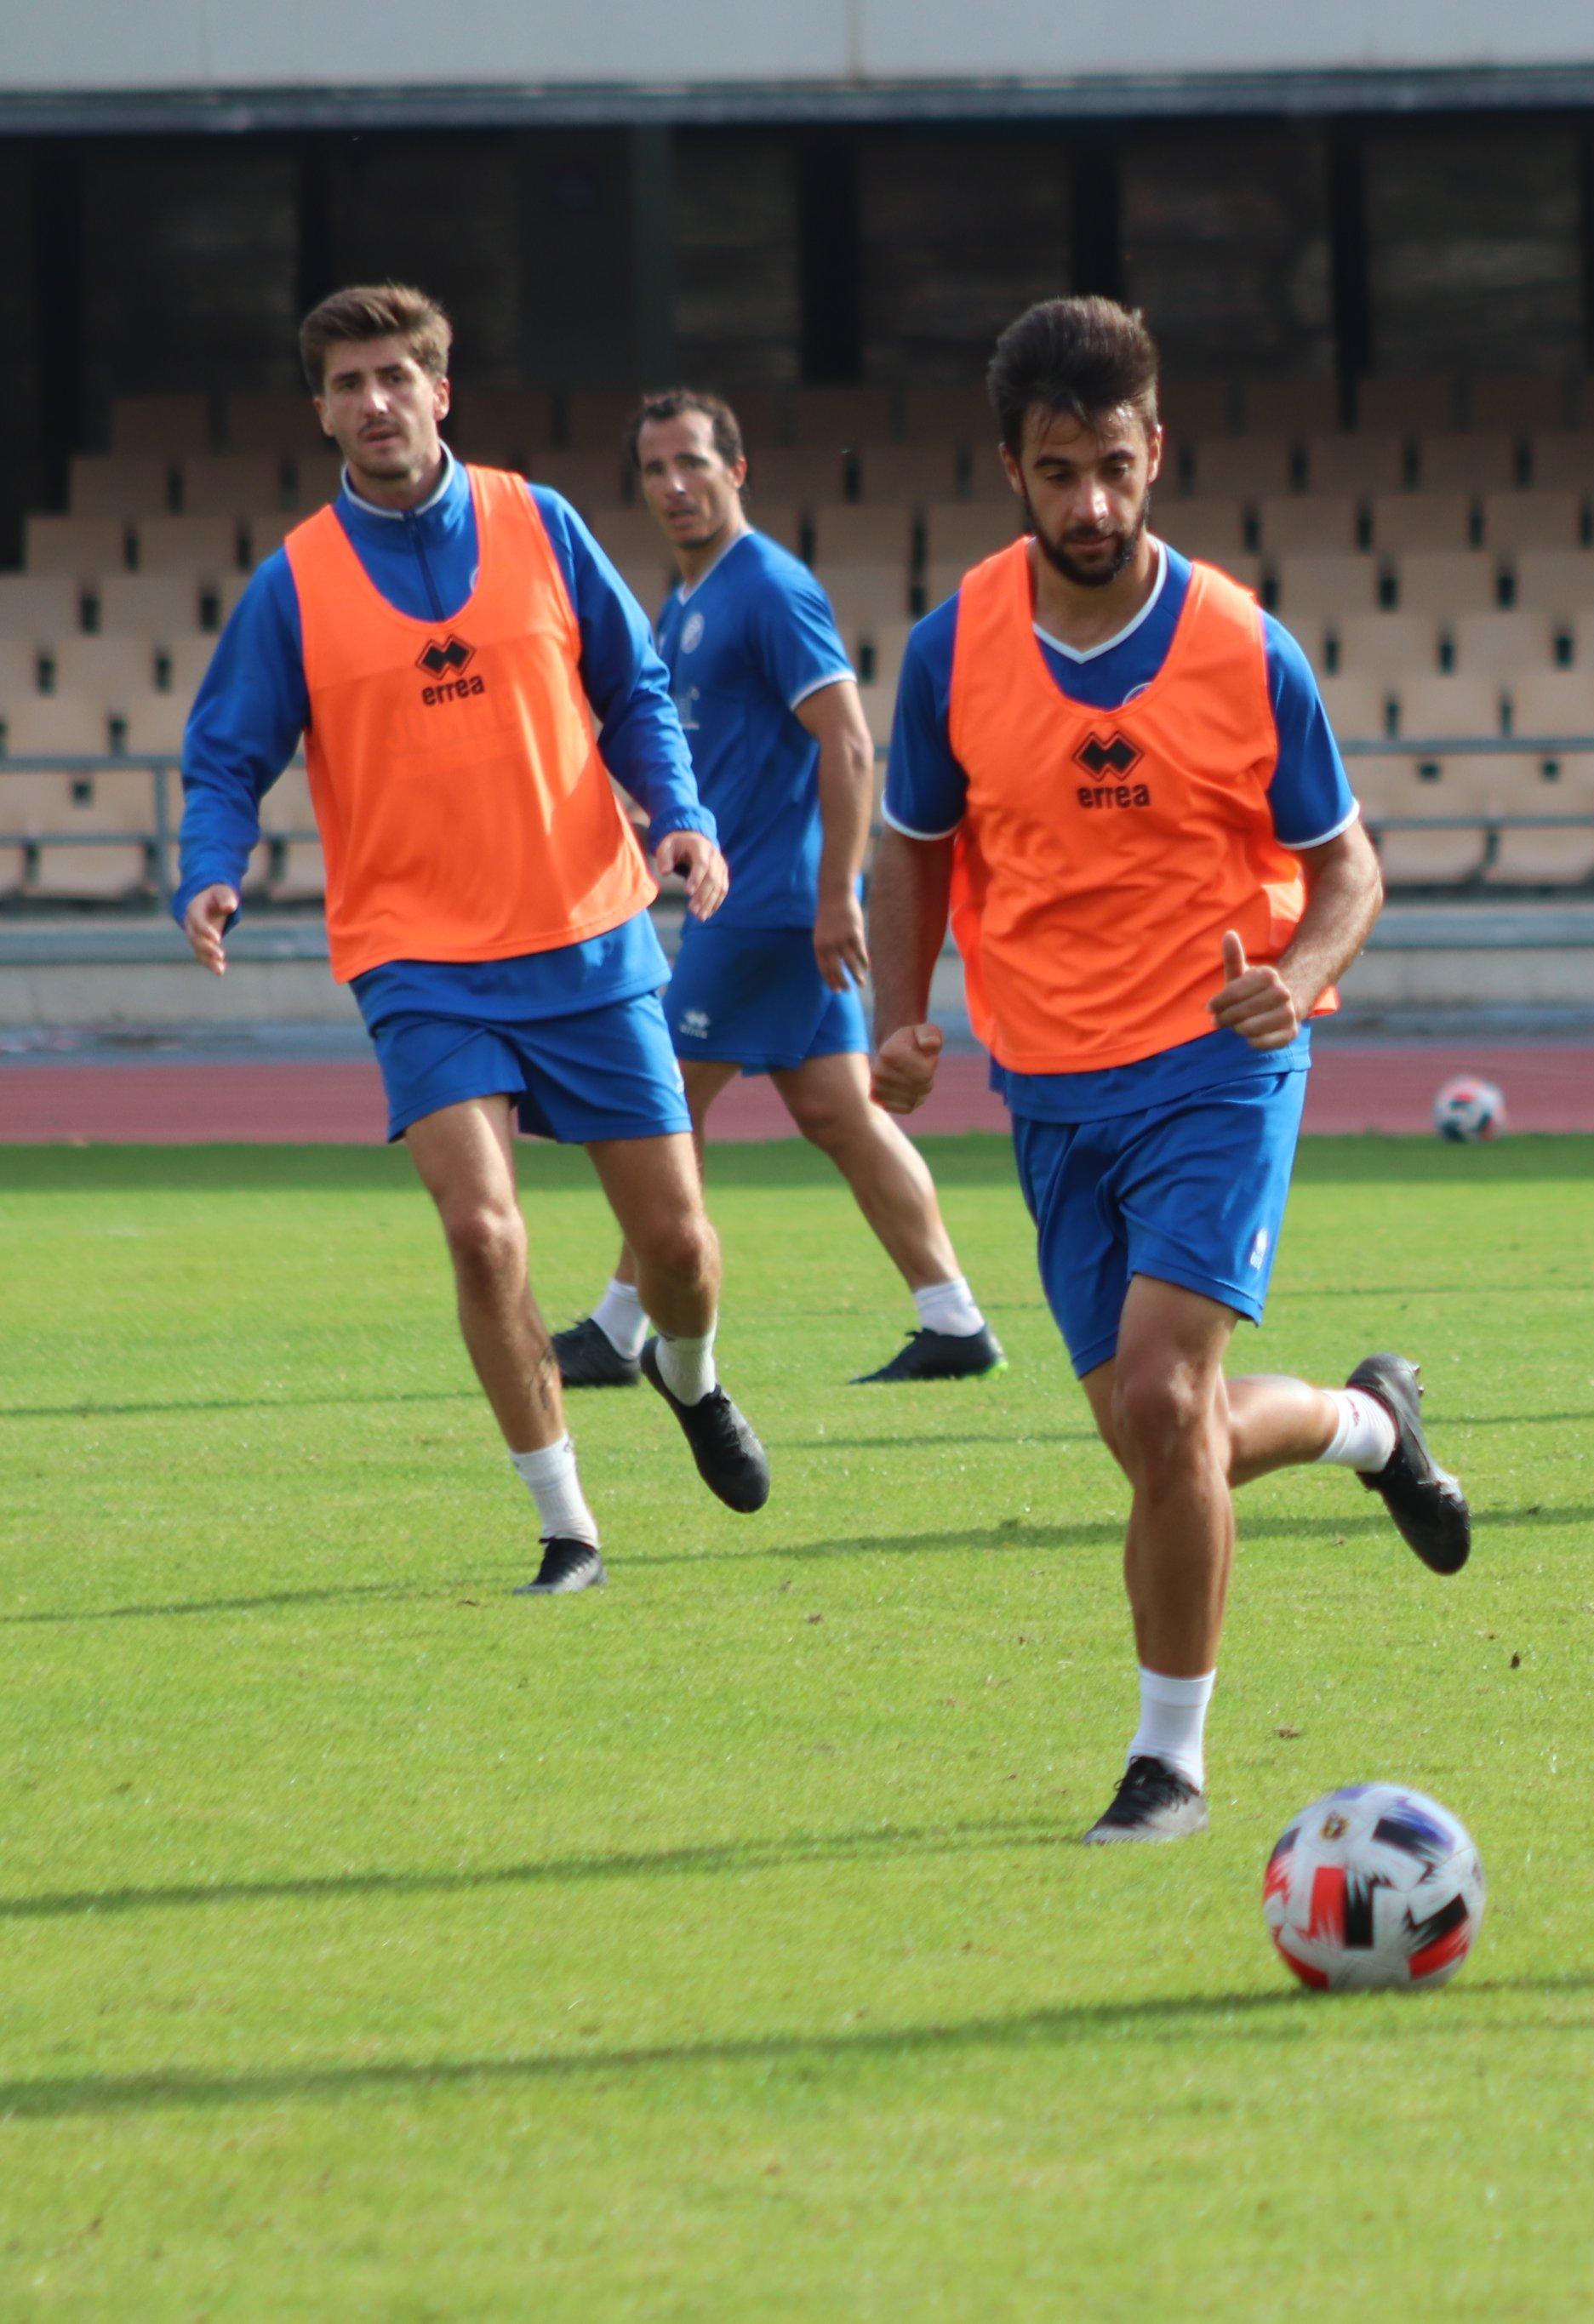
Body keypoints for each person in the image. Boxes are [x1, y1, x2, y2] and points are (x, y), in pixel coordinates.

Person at [866, 297, 1474, 1847]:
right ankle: (1368, 1426)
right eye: (1058, 471)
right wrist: (901, 1012)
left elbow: (1349, 869)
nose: (1090, 504)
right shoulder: (952, 652)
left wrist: (1303, 981)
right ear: (1011, 466)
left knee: (1165, 1392)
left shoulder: (1241, 646)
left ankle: (1171, 1762)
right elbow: (914, 851)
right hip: (1050, 1090)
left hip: (1218, 1065)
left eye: (1115, 469)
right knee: (1158, 1441)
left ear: (1157, 456)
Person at [172, 283, 767, 1597]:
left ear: (441, 390)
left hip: (589, 930)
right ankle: (568, 1526)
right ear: (321, 408)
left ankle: (691, 1371)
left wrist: (680, 816)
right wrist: (211, 869)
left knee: (676, 1246)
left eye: (396, 376)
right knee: (484, 1235)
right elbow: (225, 754)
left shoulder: (538, 520)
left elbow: (635, 690)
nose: (373, 402)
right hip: (418, 955)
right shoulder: (295, 581)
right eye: (346, 382)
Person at [551, 389, 1003, 1391]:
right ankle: (954, 1318)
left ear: (736, 469)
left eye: (694, 464)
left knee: (657, 1100)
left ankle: (623, 1329)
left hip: (767, 908)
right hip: (761, 902)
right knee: (841, 1112)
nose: (674, 486)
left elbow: (845, 740)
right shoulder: (687, 600)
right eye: (656, 469)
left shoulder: (769, 587)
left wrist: (841, 890)